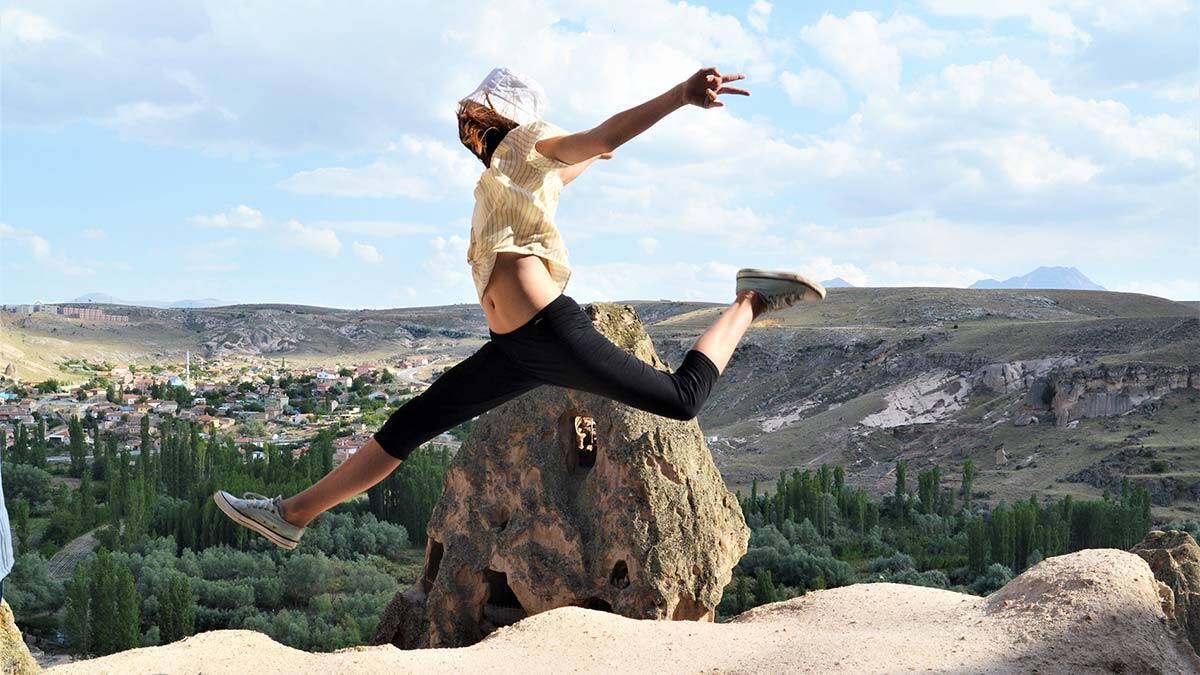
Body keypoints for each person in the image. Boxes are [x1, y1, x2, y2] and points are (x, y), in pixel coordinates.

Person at [214, 66, 825, 550]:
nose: (468, 122)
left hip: (549, 331)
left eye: (476, 112)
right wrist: (593, 154)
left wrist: (679, 95)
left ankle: (750, 299)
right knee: (409, 426)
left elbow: (605, 134)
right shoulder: (518, 173)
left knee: (679, 399)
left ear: (500, 116)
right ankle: (292, 516)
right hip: (515, 349)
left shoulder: (529, 143)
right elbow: (586, 158)